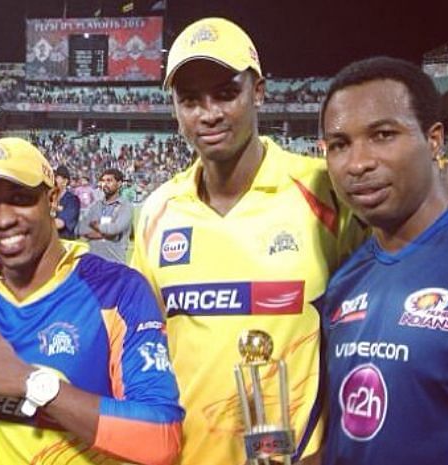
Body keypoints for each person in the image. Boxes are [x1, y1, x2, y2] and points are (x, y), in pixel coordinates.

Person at [129, 17, 365, 465]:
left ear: (258, 91)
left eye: (225, 93)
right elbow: (145, 347)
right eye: (190, 100)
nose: (209, 113)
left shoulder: (321, 188)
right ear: (175, 109)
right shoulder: (157, 211)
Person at [318, 56, 448, 464]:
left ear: (435, 139)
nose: (358, 163)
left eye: (383, 135)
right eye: (339, 144)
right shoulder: (344, 281)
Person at [0, 137, 184, 465]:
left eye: (20, 199)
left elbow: (162, 438)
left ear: (52, 198)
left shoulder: (117, 292)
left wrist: (31, 383)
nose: (3, 219)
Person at [78, 168, 133, 264]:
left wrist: (95, 226)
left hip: (115, 264)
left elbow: (114, 230)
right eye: (103, 181)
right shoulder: (95, 206)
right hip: (94, 263)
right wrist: (105, 233)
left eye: (109, 181)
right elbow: (81, 229)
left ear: (119, 184)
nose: (105, 184)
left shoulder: (125, 206)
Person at [53, 164, 80, 239]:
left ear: (65, 181)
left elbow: (60, 224)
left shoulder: (72, 200)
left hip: (64, 243)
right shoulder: (48, 197)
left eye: (56, 177)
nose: (53, 179)